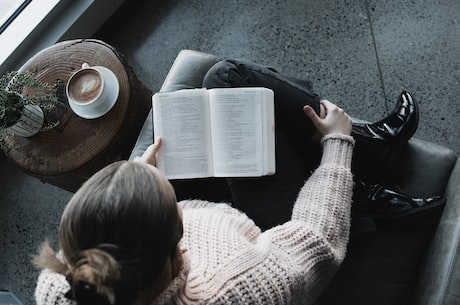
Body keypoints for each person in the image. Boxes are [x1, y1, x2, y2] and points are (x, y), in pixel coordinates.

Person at [33, 59, 443, 305]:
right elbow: (317, 238)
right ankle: (358, 171)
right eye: (163, 192)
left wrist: (138, 183)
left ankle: (369, 155)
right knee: (228, 79)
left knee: (224, 80)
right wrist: (337, 144)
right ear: (176, 246)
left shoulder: (61, 286)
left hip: (199, 227)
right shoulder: (236, 289)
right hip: (261, 238)